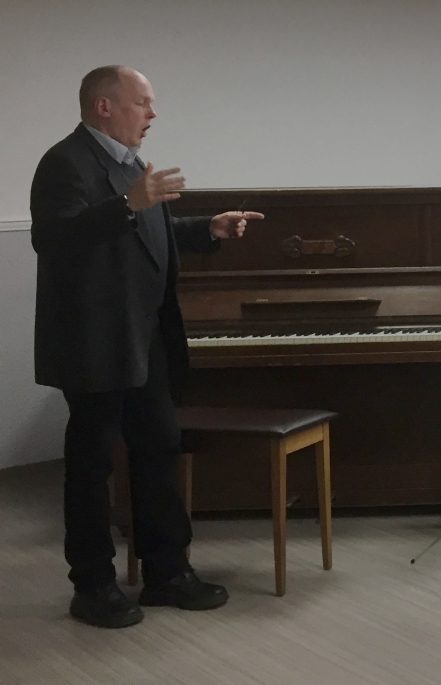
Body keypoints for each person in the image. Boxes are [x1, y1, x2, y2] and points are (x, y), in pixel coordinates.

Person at [30, 66, 260, 628]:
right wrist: (128, 203)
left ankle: (166, 572)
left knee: (158, 451)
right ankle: (93, 585)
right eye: (143, 103)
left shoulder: (131, 167)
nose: (153, 115)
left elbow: (146, 231)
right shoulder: (65, 163)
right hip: (94, 345)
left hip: (145, 338)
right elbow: (54, 239)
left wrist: (207, 229)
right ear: (104, 106)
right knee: (90, 466)